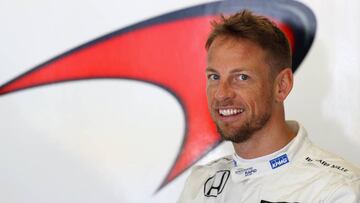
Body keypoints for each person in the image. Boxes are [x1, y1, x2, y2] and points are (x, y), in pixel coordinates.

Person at [178, 10, 360, 202]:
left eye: (241, 77)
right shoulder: (200, 182)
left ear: (282, 85)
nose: (222, 93)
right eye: (214, 77)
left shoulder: (335, 191)